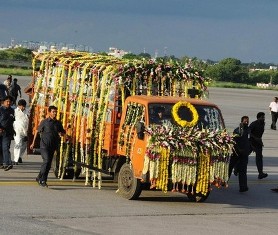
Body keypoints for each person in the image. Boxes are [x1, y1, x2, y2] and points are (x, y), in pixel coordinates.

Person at [30, 105, 66, 187]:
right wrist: (33, 143)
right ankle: (42, 180)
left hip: (53, 146)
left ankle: (40, 177)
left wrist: (63, 134)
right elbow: (37, 131)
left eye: (56, 112)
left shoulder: (58, 123)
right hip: (44, 146)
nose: (55, 113)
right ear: (49, 112)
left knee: (48, 164)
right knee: (46, 161)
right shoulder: (44, 122)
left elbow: (63, 132)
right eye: (53, 112)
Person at [229, 116, 251, 192]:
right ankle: (224, 181)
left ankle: (243, 187)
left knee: (243, 170)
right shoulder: (237, 130)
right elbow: (233, 141)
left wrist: (249, 149)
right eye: (245, 121)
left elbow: (250, 140)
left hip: (244, 154)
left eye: (247, 121)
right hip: (236, 153)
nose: (247, 122)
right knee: (230, 168)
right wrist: (239, 149)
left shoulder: (248, 130)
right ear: (242, 121)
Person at [249, 112, 268, 179]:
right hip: (251, 142)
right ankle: (237, 169)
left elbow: (260, 134)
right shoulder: (254, 124)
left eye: (264, 117)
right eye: (262, 117)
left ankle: (260, 173)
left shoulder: (263, 124)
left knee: (259, 158)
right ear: (258, 117)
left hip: (258, 143)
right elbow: (248, 132)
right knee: (243, 156)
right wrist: (255, 138)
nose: (263, 118)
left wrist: (260, 141)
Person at [0, 96, 15, 171]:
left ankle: (8, 163)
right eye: (7, 101)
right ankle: (1, 163)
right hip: (0, 132)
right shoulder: (0, 109)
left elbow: (12, 121)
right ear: (4, 102)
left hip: (7, 133)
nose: (8, 103)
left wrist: (13, 130)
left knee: (5, 147)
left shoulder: (12, 110)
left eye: (10, 102)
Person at [13, 99, 29, 165]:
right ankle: (15, 159)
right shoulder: (15, 111)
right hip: (17, 130)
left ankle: (19, 156)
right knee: (18, 144)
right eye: (21, 106)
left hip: (25, 131)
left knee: (24, 145)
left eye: (24, 106)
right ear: (18, 106)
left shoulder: (27, 111)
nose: (23, 108)